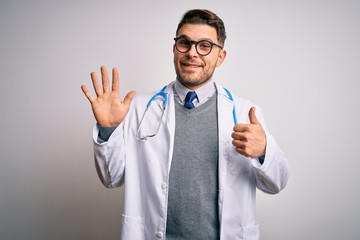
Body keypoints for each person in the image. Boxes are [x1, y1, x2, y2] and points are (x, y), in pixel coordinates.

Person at [81, 9, 289, 240]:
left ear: (220, 57)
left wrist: (263, 151)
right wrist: (108, 129)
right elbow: (112, 178)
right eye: (184, 43)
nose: (192, 53)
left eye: (204, 46)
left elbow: (276, 183)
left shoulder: (244, 113)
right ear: (174, 49)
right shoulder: (139, 109)